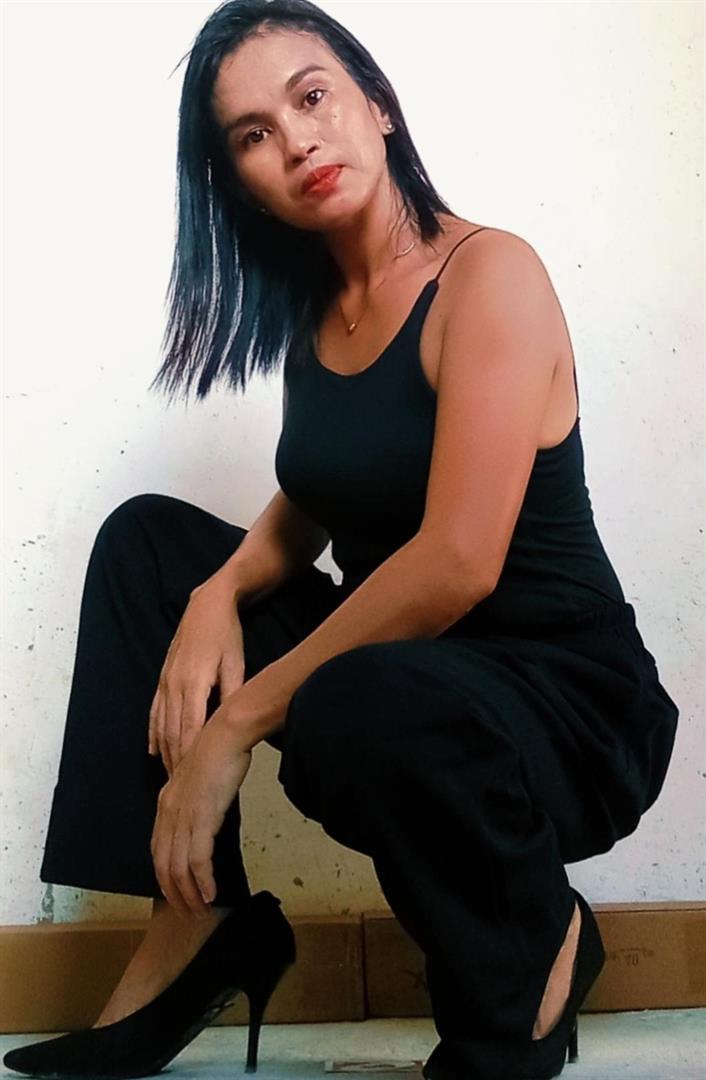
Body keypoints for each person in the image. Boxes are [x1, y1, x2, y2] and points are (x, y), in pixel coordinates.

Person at [4, 1, 680, 1078]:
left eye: (311, 97)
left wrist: (232, 730)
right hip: (414, 680)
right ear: (238, 181)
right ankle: (195, 921)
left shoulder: (491, 276)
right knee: (150, 550)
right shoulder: (321, 313)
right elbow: (312, 496)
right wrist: (215, 593)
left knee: (355, 693)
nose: (298, 140)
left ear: (379, 105)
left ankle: (533, 961)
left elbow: (457, 563)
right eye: (254, 134)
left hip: (564, 699)